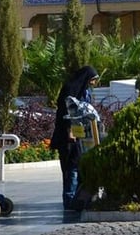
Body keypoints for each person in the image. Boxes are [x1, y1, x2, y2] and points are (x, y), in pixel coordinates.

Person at [50, 65, 99, 210]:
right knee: (71, 168)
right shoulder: (70, 91)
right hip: (67, 137)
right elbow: (66, 114)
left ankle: (78, 198)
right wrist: (70, 131)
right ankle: (69, 199)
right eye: (93, 80)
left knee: (78, 166)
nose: (94, 83)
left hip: (82, 136)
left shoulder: (84, 91)